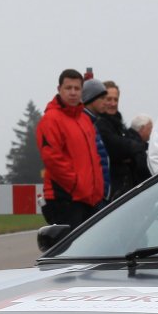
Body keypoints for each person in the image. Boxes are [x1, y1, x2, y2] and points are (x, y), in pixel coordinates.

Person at [37, 69, 105, 225]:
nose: (73, 92)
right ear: (59, 89)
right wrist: (77, 185)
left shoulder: (84, 119)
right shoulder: (51, 119)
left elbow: (94, 157)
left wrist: (97, 189)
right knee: (69, 241)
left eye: (77, 88)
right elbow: (52, 159)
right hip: (64, 198)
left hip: (89, 198)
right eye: (68, 88)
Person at [95, 82, 147, 196]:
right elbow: (115, 146)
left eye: (116, 99)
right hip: (111, 190)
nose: (113, 103)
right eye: (109, 99)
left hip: (126, 187)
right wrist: (132, 151)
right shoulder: (98, 124)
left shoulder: (120, 126)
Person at [80, 78, 113, 202]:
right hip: (94, 196)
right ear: (91, 99)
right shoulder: (84, 124)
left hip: (99, 194)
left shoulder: (93, 123)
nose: (106, 102)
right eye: (102, 98)